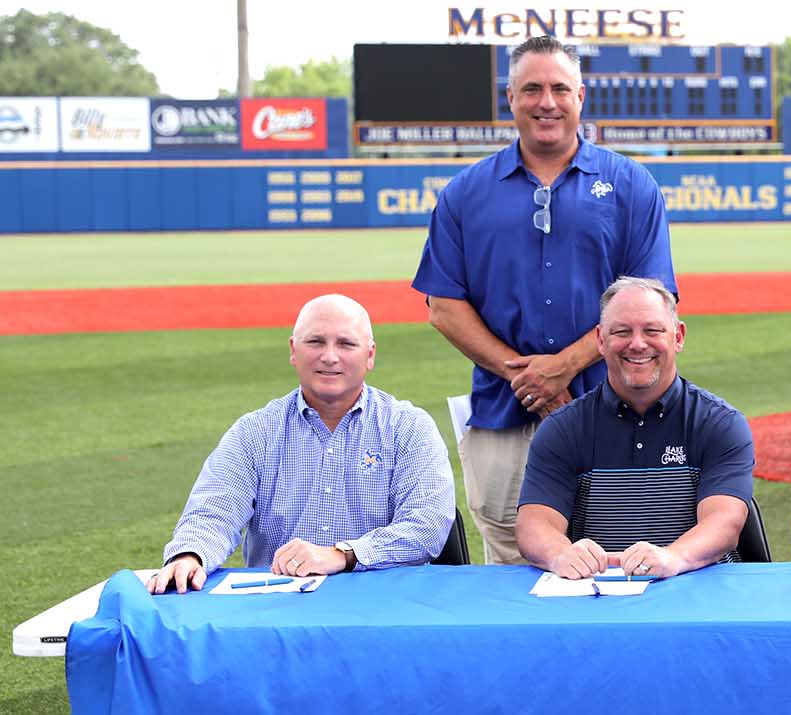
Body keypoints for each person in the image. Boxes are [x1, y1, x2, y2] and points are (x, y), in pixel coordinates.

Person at [412, 35, 675, 565]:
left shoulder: (630, 185)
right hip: (504, 411)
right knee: (512, 563)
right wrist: (526, 377)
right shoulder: (466, 192)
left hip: (618, 408)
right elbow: (443, 305)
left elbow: (653, 300)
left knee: (625, 554)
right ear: (509, 97)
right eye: (532, 89)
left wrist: (563, 367)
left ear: (580, 95)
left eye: (559, 88)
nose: (546, 102)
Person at [148, 294, 457, 594]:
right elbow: (213, 512)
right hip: (279, 608)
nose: (330, 356)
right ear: (294, 350)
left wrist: (344, 555)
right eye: (316, 342)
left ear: (370, 355)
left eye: (346, 343)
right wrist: (190, 555)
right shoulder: (255, 432)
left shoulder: (408, 427)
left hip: (383, 605)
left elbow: (427, 525)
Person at [516, 277, 752, 580]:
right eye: (622, 332)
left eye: (652, 330)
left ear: (678, 337)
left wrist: (673, 557)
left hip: (699, 594)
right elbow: (534, 525)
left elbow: (724, 523)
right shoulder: (563, 429)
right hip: (596, 597)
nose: (638, 344)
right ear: (600, 340)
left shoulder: (719, 423)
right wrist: (560, 553)